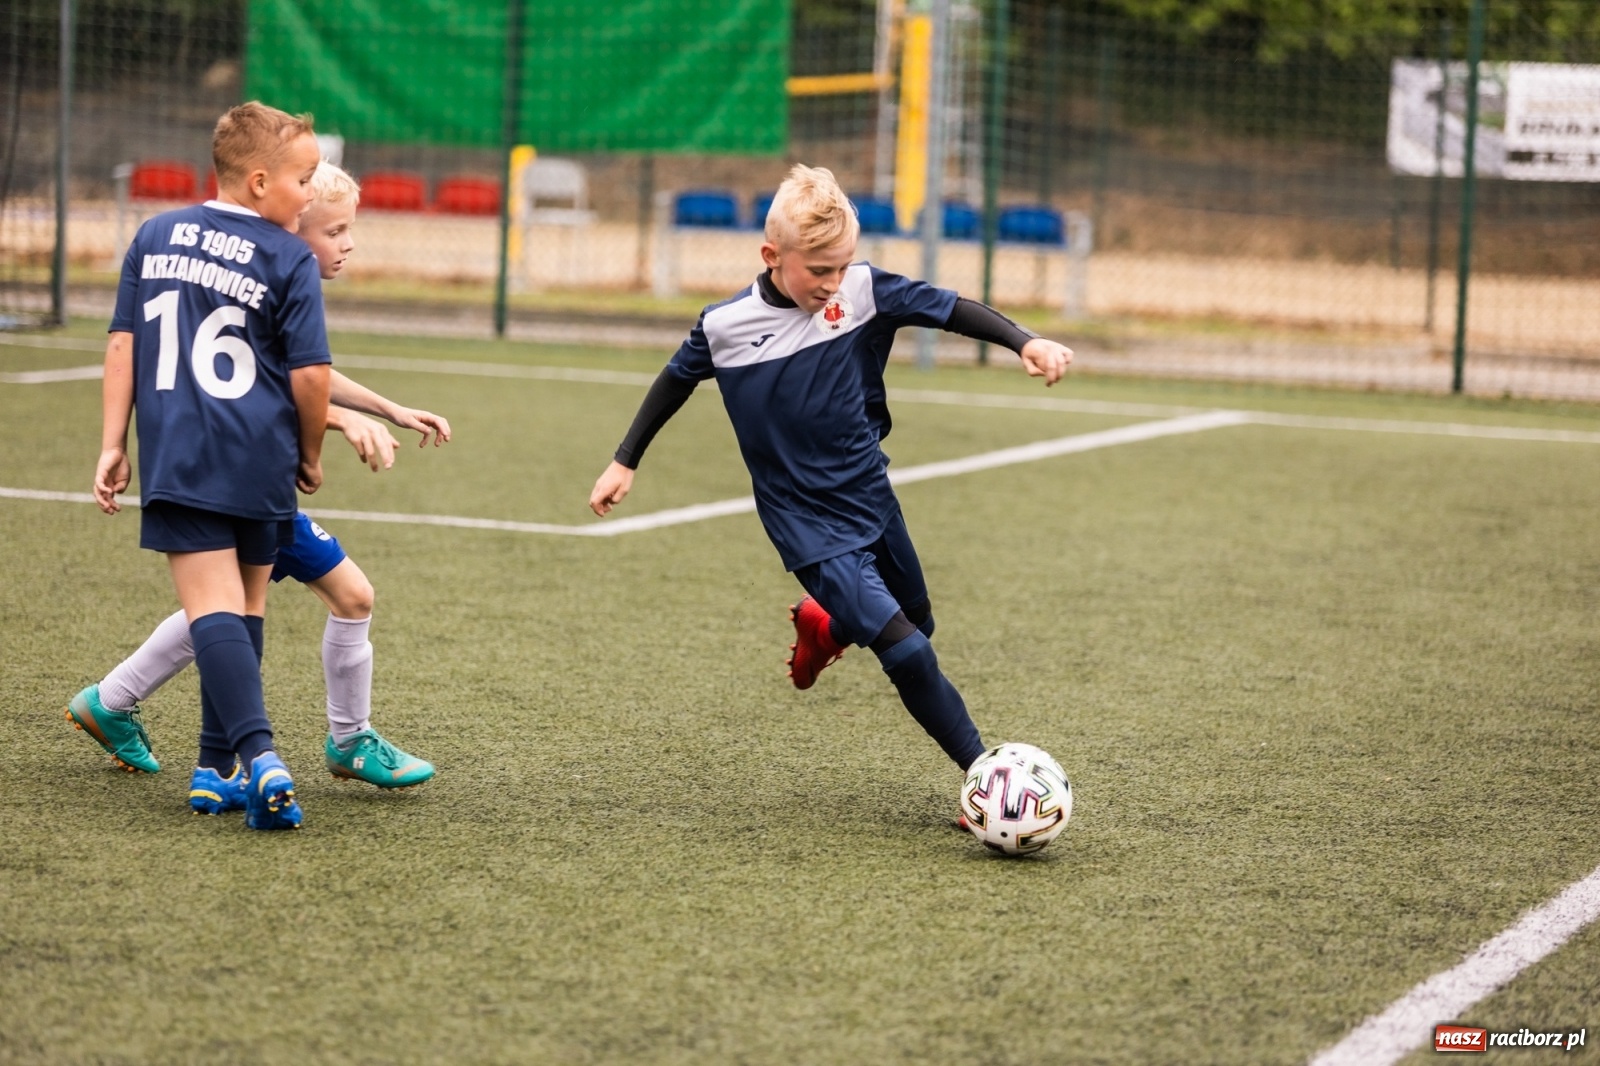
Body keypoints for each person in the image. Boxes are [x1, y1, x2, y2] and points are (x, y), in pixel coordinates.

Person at [588, 164, 1072, 776]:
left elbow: (948, 308)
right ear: (772, 255)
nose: (832, 282)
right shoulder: (726, 326)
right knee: (910, 651)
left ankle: (827, 624)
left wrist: (1024, 341)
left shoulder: (862, 291)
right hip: (805, 524)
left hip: (870, 492)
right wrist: (623, 461)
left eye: (842, 267)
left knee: (920, 620)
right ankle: (985, 777)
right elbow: (674, 381)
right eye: (819, 270)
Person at [68, 161, 447, 813]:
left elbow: (310, 375)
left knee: (296, 603)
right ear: (293, 229)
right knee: (239, 613)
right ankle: (321, 745)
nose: (348, 243)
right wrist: (337, 425)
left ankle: (113, 700)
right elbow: (280, 387)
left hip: (254, 482)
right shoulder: (265, 272)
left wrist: (388, 409)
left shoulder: (266, 277)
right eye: (336, 230)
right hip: (245, 480)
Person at [85, 101, 332, 830]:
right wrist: (312, 450)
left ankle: (241, 760)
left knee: (216, 611)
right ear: (258, 182)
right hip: (262, 454)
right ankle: (226, 767)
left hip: (182, 452)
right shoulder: (288, 256)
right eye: (304, 178)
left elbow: (122, 346)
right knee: (242, 607)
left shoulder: (155, 233)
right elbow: (311, 376)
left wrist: (112, 442)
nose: (312, 193)